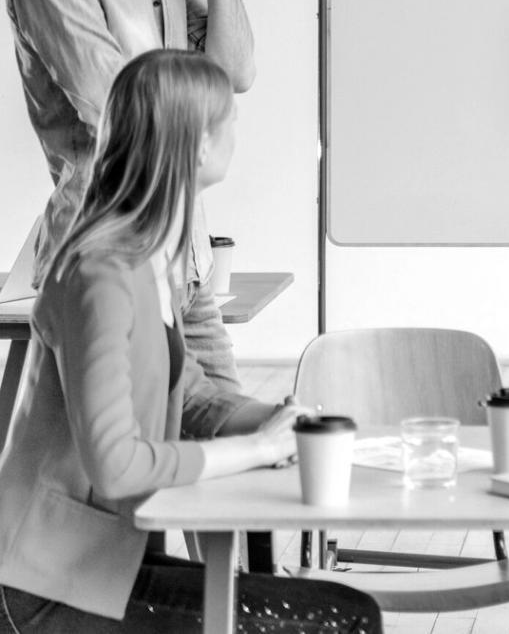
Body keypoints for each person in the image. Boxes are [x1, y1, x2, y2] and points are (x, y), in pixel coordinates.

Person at [0, 50, 380, 633]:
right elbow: (116, 466)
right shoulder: (101, 273)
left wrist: (279, 423)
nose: (238, 130)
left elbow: (192, 395)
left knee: (344, 609)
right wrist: (256, 450)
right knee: (338, 619)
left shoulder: (149, 257)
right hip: (46, 585)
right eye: (230, 119)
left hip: (102, 565)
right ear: (199, 144)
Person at [7, 0, 254, 398]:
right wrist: (209, 132)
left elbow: (235, 71)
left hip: (184, 259)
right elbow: (122, 117)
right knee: (128, 454)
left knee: (236, 428)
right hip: (108, 267)